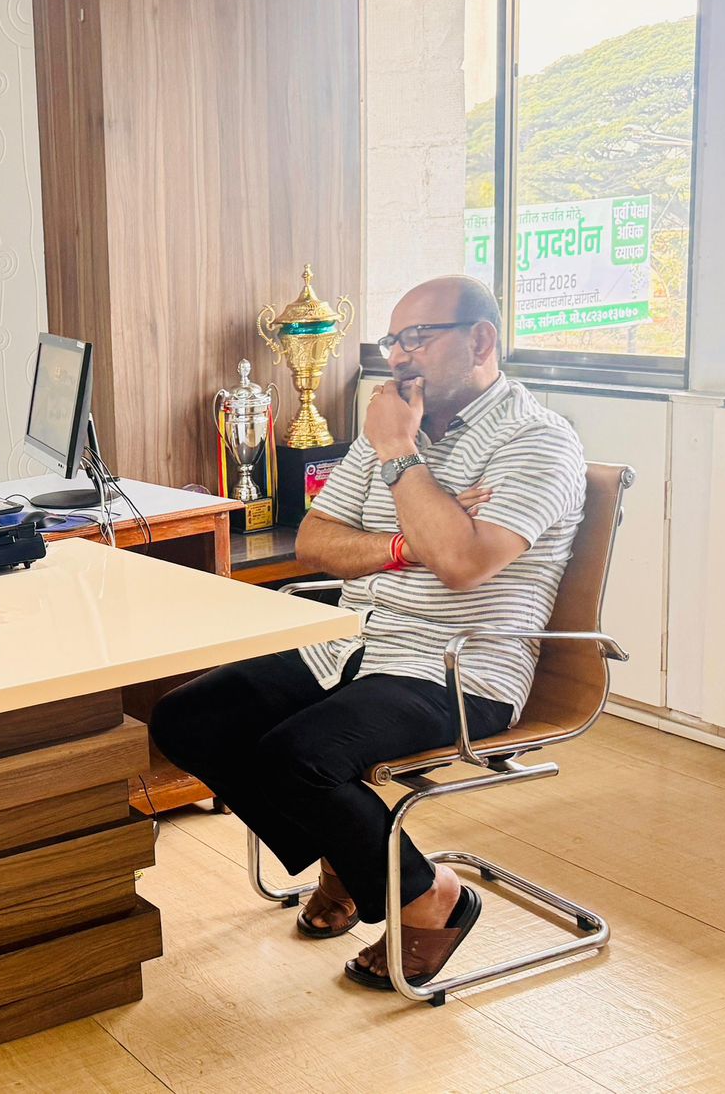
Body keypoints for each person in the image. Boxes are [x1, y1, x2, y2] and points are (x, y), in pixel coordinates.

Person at [150, 275, 586, 989]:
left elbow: (463, 563)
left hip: (458, 667)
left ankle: (430, 898)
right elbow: (315, 543)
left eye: (418, 338)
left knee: (297, 758)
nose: (399, 356)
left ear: (481, 340)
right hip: (354, 642)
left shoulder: (537, 441)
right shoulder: (394, 422)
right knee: (187, 718)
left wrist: (399, 458)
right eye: (392, 341)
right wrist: (407, 543)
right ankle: (355, 860)